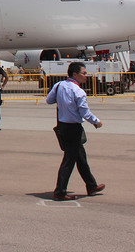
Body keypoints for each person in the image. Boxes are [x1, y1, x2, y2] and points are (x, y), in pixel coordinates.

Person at [46, 61, 104, 201]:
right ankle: (60, 191)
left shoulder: (59, 85)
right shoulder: (78, 91)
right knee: (69, 160)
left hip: (63, 126)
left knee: (81, 158)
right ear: (75, 74)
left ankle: (91, 186)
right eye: (84, 73)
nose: (86, 76)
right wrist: (96, 122)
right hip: (73, 128)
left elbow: (49, 100)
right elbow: (85, 112)